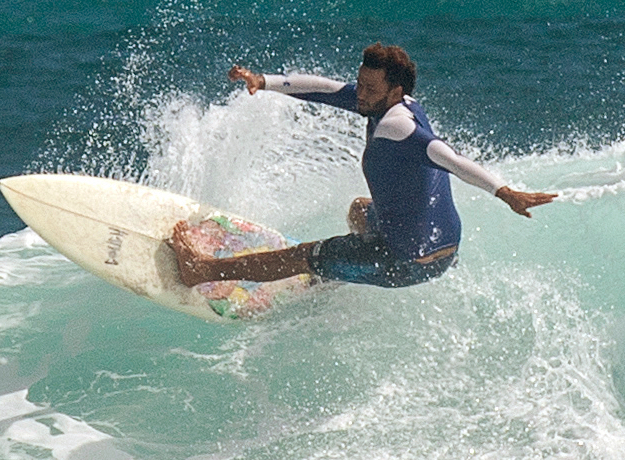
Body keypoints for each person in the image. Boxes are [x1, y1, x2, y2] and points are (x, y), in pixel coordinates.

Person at [171, 42, 557, 289]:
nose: (360, 94)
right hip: (444, 246)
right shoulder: (387, 104)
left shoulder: (397, 126)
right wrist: (263, 80)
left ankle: (200, 271)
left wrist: (505, 193)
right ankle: (336, 274)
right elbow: (325, 89)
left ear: (395, 91)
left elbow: (450, 158)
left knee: (301, 256)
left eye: (370, 88)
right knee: (360, 209)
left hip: (407, 263)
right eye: (361, 83)